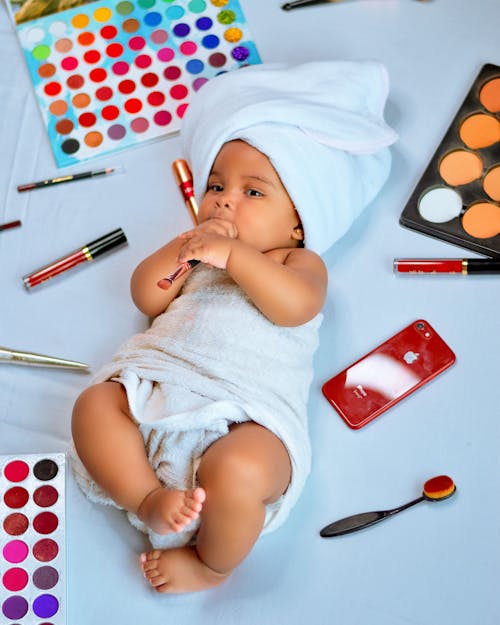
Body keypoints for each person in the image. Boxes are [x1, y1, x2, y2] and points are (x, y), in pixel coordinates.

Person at [71, 60, 397, 594]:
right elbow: (146, 296)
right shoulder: (195, 255)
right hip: (162, 386)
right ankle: (145, 497)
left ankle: (212, 566)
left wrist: (235, 255)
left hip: (250, 414)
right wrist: (187, 250)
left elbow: (294, 308)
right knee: (94, 406)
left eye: (253, 192)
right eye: (217, 185)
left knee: (241, 470)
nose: (223, 198)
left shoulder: (298, 263)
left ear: (299, 221)